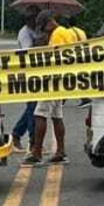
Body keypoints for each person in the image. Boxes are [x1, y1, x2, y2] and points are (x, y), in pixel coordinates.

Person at [24, 11, 81, 167]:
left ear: (49, 22)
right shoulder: (65, 32)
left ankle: (37, 154)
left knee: (39, 114)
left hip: (53, 80)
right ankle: (61, 152)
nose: (44, 32)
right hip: (62, 80)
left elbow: (54, 59)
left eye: (43, 28)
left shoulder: (57, 34)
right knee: (56, 116)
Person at [11, 8, 42, 153]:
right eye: (33, 18)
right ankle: (33, 142)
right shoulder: (25, 32)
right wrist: (40, 42)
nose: (35, 21)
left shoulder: (36, 30)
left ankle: (16, 134)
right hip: (28, 73)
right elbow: (27, 52)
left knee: (33, 107)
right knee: (32, 109)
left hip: (37, 72)